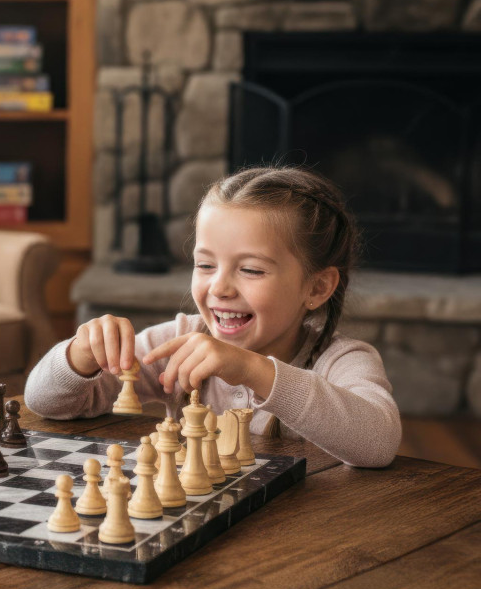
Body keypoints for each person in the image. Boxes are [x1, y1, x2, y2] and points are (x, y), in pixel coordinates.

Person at [25, 166, 401, 468]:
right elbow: (45, 402)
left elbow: (378, 444)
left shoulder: (344, 360)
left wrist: (253, 370)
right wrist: (79, 356)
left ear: (317, 288)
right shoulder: (179, 341)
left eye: (251, 270)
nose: (219, 288)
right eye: (205, 264)